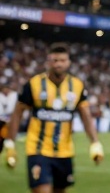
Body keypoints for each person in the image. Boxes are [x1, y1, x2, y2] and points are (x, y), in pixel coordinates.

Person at [4, 42, 103, 193]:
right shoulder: (34, 84)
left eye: (62, 60)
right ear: (48, 61)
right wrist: (10, 143)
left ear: (68, 62)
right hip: (38, 150)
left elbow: (86, 116)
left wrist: (95, 143)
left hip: (65, 152)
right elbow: (17, 113)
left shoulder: (77, 85)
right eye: (55, 60)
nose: (58, 64)